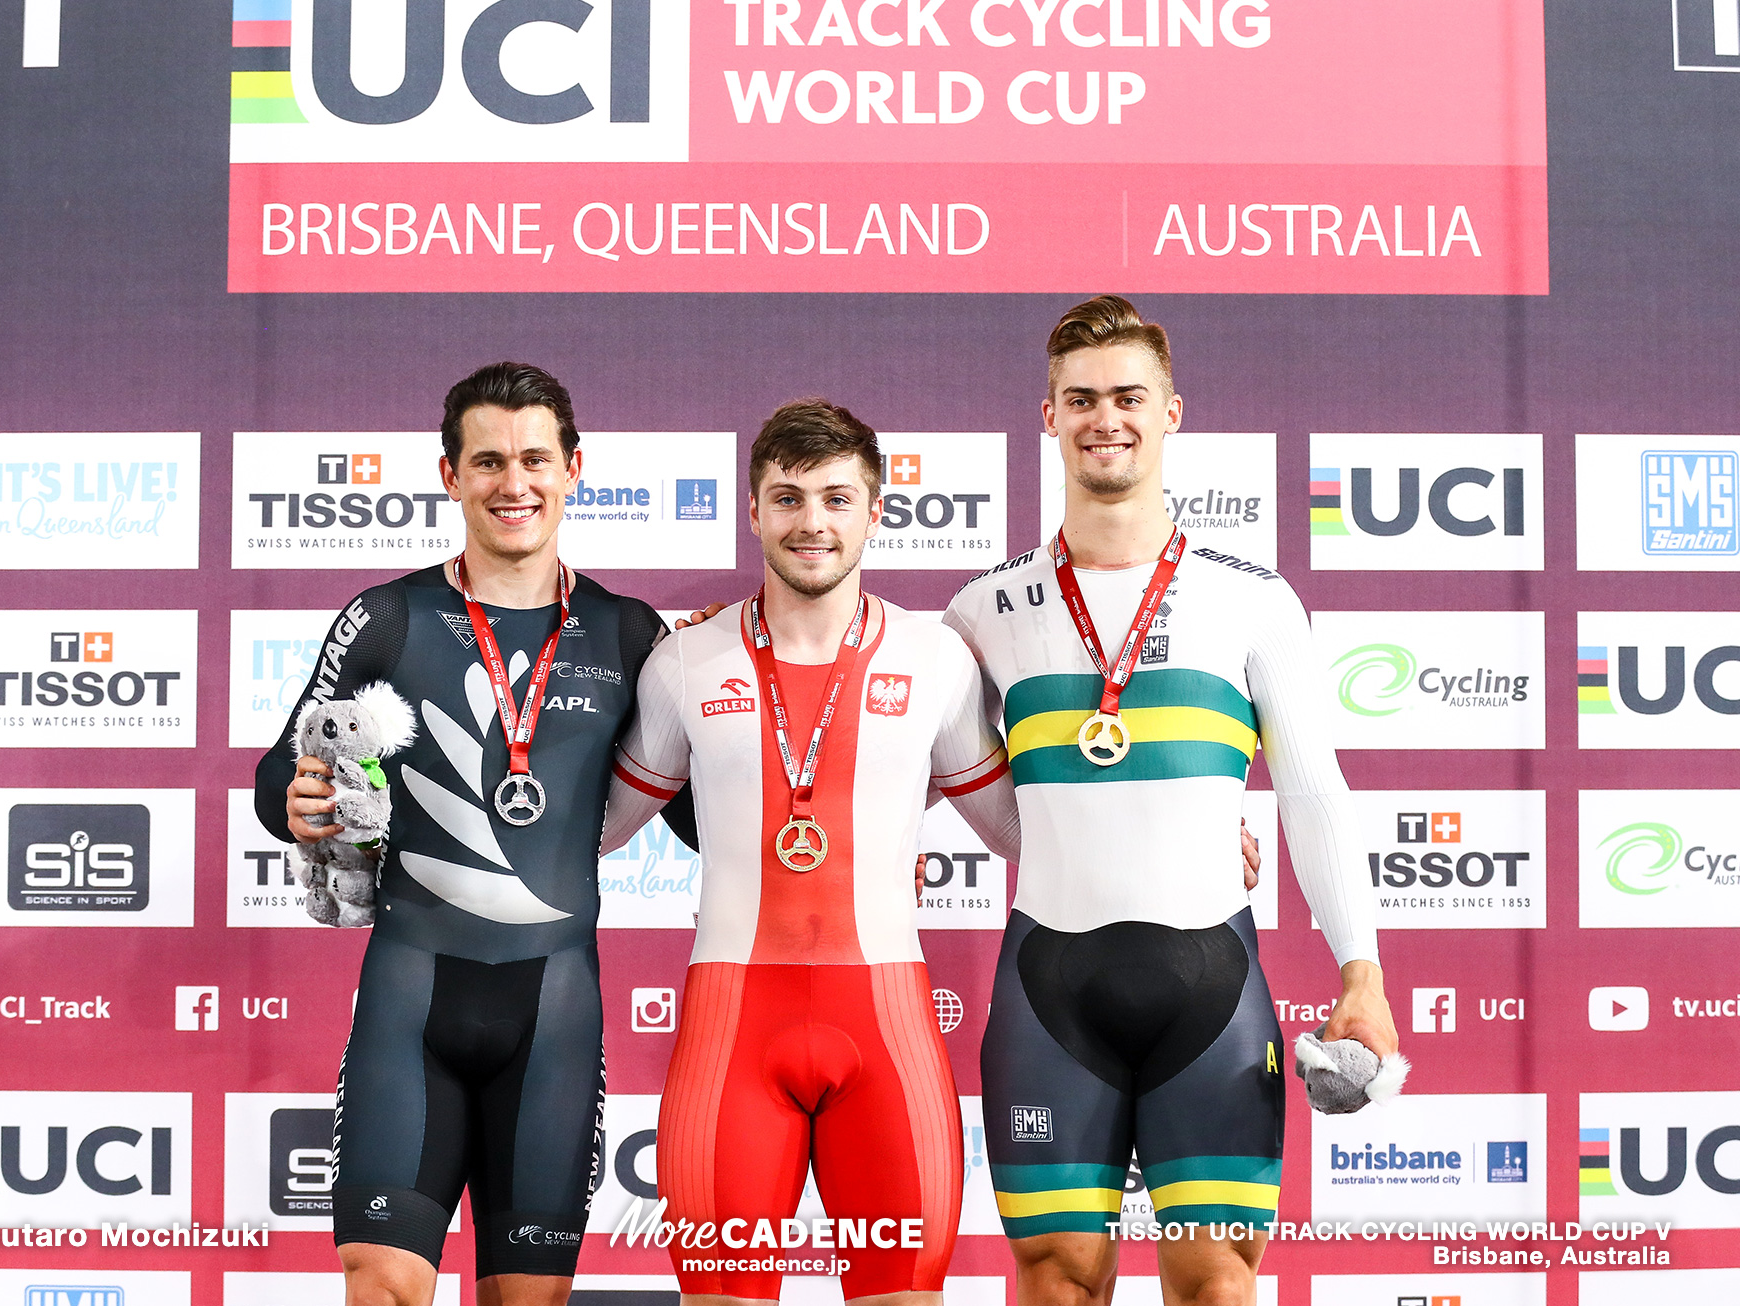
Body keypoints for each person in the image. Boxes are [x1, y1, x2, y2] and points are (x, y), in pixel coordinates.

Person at [942, 296, 1397, 1306]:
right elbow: (927, 763)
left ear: (1171, 413)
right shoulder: (982, 611)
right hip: (1047, 987)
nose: (1106, 417)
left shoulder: (1252, 596)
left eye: (1127, 396)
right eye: (1081, 398)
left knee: (1216, 1284)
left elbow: (1314, 792)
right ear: (1047, 417)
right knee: (1056, 1281)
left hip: (1212, 986)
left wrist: (1360, 973)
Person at [254, 362, 694, 1306]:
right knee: (381, 1284)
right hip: (410, 1001)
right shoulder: (388, 617)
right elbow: (278, 774)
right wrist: (293, 802)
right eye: (488, 461)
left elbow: (700, 815)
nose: (514, 483)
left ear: (576, 468)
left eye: (536, 459)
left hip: (555, 1017)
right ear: (450, 475)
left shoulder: (628, 634)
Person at [599, 399, 1022, 1306]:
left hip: (888, 1026)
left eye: (837, 498)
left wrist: (1182, 831)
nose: (813, 523)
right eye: (787, 499)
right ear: (753, 512)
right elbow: (591, 831)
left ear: (876, 510)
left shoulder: (938, 659)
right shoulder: (686, 662)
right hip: (731, 1031)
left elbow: (1021, 829)